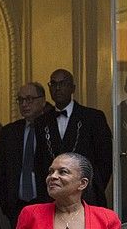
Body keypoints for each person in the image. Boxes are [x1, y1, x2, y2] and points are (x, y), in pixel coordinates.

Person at [39, 70, 114, 208]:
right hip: (52, 198)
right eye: (53, 84)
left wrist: (92, 187)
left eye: (63, 83)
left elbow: (105, 159)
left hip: (87, 196)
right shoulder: (42, 122)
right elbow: (39, 162)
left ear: (73, 88)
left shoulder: (93, 117)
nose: (58, 88)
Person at [0, 82, 48, 223]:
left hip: (46, 204)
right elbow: (1, 172)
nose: (24, 104)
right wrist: (7, 206)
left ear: (42, 101)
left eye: (29, 99)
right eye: (21, 100)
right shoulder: (9, 132)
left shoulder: (52, 128)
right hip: (17, 206)